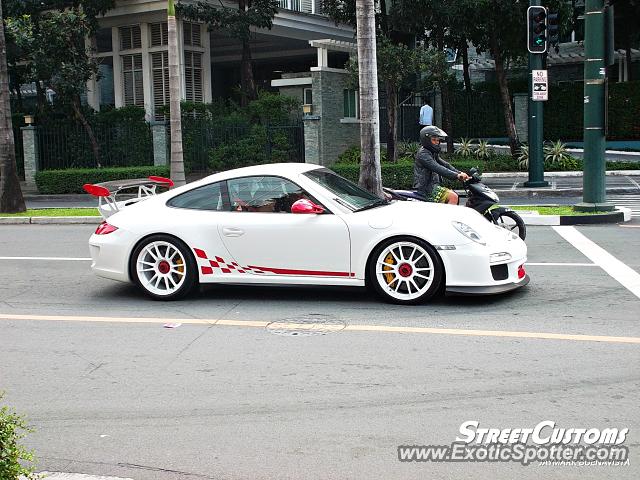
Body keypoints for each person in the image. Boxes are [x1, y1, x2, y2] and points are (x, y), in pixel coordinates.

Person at [414, 126, 470, 205]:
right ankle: (449, 218)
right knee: (453, 196)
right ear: (426, 140)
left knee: (452, 193)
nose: (437, 142)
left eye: (438, 140)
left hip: (432, 186)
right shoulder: (423, 154)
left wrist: (459, 172)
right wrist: (456, 176)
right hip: (426, 189)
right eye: (434, 140)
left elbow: (445, 165)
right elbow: (438, 168)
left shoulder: (431, 152)